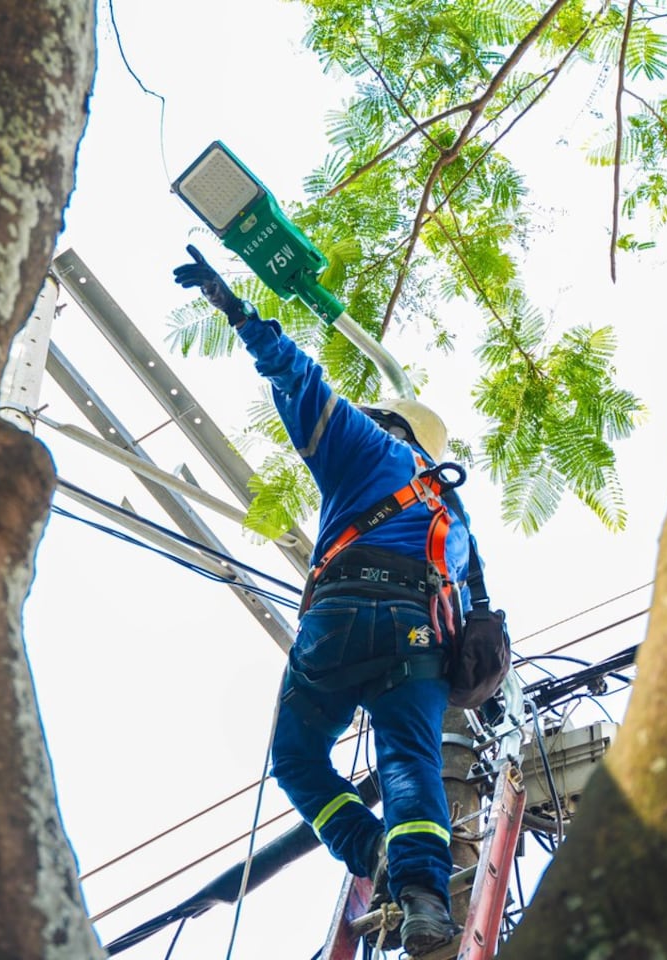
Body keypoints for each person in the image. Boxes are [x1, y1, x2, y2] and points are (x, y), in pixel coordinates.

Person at [174, 245, 476, 955]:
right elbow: (475, 612)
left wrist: (239, 312)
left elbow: (299, 380)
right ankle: (425, 894)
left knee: (300, 756)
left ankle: (369, 851)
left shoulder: (366, 447)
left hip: (342, 622)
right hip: (423, 647)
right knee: (410, 761)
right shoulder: (455, 514)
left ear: (388, 421)